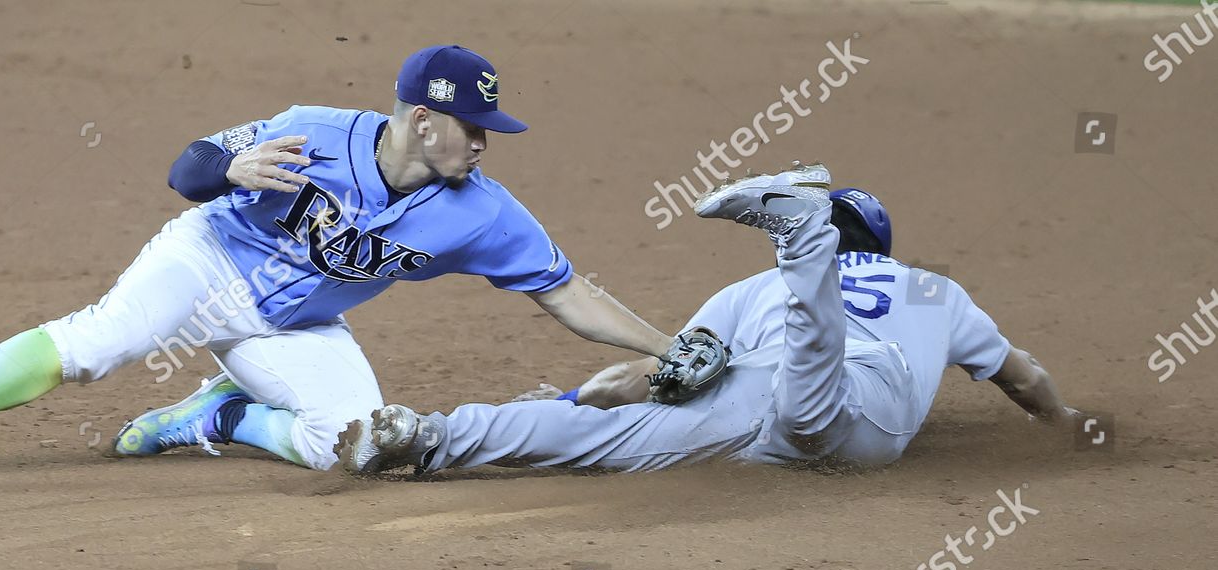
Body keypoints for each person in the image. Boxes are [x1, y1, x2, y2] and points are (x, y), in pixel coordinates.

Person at [0, 45, 678, 491]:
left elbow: (569, 292)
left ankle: (217, 420)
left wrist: (671, 346)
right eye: (476, 126)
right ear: (426, 122)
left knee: (350, 450)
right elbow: (189, 168)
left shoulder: (486, 211)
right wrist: (227, 172)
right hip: (205, 265)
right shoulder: (315, 128)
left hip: (297, 325)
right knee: (96, 346)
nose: (487, 140)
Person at [334, 163, 1079, 474]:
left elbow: (668, 375)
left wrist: (570, 399)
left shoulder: (752, 290)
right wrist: (1065, 423)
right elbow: (1025, 379)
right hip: (858, 401)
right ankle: (799, 233)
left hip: (757, 396)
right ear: (877, 247)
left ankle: (430, 436)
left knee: (590, 436)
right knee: (815, 395)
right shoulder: (928, 289)